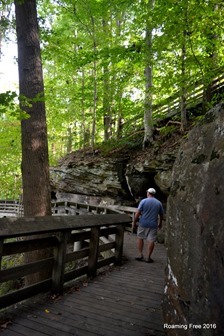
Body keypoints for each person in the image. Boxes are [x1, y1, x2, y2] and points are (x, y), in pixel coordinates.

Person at [132, 187, 164, 263]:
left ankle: (141, 255)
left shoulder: (143, 201)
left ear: (148, 193)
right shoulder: (158, 203)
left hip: (143, 223)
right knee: (151, 240)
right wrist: (160, 223)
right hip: (153, 224)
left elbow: (138, 213)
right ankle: (148, 257)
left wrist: (134, 222)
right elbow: (161, 214)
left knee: (140, 238)